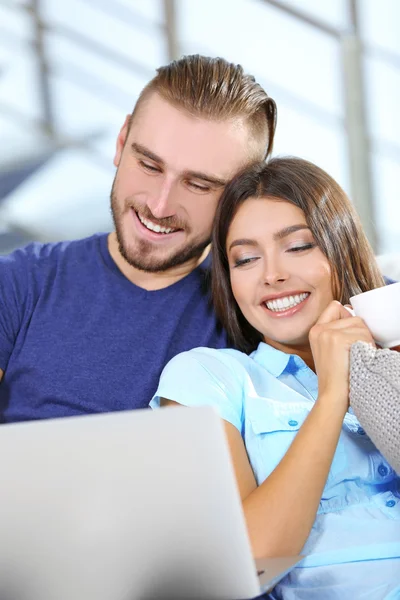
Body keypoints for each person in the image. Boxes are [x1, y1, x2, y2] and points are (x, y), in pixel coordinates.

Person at [151, 157, 400, 599]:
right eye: (245, 259)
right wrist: (331, 397)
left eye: (298, 246)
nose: (272, 275)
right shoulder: (209, 377)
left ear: (340, 249)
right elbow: (249, 563)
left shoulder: (391, 364)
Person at [0, 55, 277, 423]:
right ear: (121, 142)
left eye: (198, 184)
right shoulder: (20, 284)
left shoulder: (270, 295)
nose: (159, 206)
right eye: (149, 165)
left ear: (242, 194)